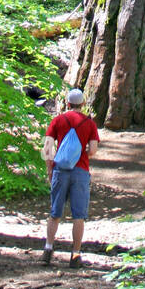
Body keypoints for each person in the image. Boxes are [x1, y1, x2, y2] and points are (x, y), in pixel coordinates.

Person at [42, 88, 99, 268]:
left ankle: (48, 248)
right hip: (80, 170)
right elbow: (93, 150)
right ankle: (75, 255)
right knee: (78, 215)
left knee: (55, 212)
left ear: (67, 103)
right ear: (83, 104)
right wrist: (80, 154)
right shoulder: (89, 123)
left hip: (60, 170)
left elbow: (47, 148)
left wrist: (50, 169)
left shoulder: (58, 120)